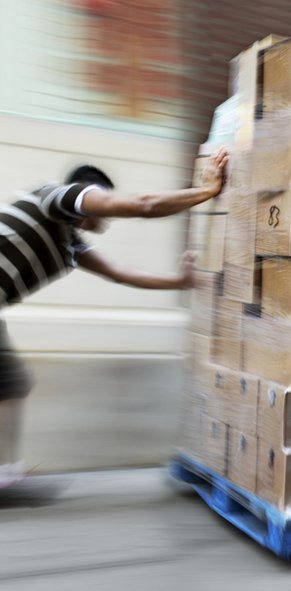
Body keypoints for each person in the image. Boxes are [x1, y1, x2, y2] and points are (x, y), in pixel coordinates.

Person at [0, 148, 229, 487]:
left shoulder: (70, 244)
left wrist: (181, 281)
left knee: (11, 385)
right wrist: (208, 192)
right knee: (9, 384)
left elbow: (122, 274)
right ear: (92, 194)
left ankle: (4, 472)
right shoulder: (57, 197)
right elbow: (144, 205)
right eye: (104, 205)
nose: (107, 218)